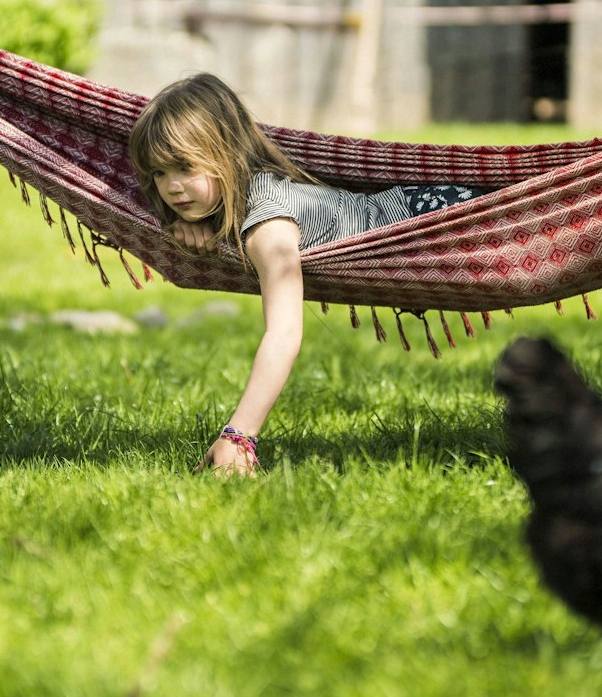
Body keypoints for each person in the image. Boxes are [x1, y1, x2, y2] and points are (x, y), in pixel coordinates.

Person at [127, 74, 481, 475]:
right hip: (424, 210)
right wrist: (185, 223)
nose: (171, 187)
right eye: (159, 173)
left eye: (185, 167)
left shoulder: (268, 224)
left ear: (225, 153)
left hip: (453, 222)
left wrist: (239, 434)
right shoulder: (241, 194)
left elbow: (284, 333)